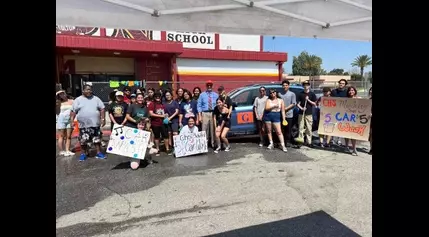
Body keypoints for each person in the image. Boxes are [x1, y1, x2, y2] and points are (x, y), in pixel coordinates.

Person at [70, 84, 106, 161]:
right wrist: (71, 120)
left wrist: (103, 119)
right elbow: (73, 111)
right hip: (83, 125)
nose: (89, 91)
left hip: (95, 124)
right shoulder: (78, 100)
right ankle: (83, 154)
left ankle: (99, 153)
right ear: (83, 90)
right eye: (87, 89)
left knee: (97, 140)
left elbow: (102, 108)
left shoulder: (96, 99)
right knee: (83, 141)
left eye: (90, 89)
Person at [295, 81, 317, 147]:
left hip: (309, 114)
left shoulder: (312, 94)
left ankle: (309, 142)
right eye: (304, 85)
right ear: (303, 86)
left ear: (309, 86)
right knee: (300, 128)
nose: (306, 86)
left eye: (307, 85)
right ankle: (300, 141)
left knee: (309, 128)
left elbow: (314, 104)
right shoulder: (300, 94)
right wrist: (301, 108)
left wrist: (308, 100)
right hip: (301, 113)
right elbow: (297, 104)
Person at [197, 80, 218, 148]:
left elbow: (219, 104)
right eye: (208, 85)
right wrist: (200, 116)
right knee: (204, 129)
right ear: (206, 86)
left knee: (213, 128)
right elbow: (199, 105)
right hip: (205, 113)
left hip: (213, 113)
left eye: (210, 85)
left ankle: (213, 143)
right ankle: (204, 144)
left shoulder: (216, 95)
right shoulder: (202, 95)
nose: (209, 86)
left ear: (212, 86)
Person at [278, 80, 297, 147]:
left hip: (289, 114)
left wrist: (286, 109)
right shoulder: (279, 94)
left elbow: (293, 103)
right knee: (281, 129)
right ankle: (282, 142)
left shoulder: (292, 94)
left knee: (288, 129)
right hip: (281, 114)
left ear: (288, 86)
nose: (285, 86)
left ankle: (287, 142)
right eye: (283, 85)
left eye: (286, 85)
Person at [330, 79, 348, 146]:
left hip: (343, 112)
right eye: (340, 83)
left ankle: (339, 140)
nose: (341, 84)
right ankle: (332, 139)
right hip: (334, 111)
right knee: (333, 124)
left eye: (343, 83)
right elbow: (330, 100)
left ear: (345, 85)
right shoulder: (334, 91)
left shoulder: (347, 92)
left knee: (341, 125)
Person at [56, 90, 74, 156]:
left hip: (69, 120)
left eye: (63, 93)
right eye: (60, 94)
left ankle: (67, 150)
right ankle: (62, 151)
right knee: (61, 136)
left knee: (68, 136)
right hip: (61, 120)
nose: (62, 95)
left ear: (65, 93)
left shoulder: (72, 101)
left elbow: (74, 110)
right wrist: (56, 94)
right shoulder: (59, 102)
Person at [344, 86, 360, 156]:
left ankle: (354, 149)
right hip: (346, 119)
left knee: (353, 135)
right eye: (350, 90)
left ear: (355, 91)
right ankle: (346, 146)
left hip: (355, 120)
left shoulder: (359, 99)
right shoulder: (346, 99)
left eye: (352, 90)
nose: (351, 91)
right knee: (346, 133)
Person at [163, 91, 179, 155]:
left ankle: (177, 147)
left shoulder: (175, 102)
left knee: (175, 133)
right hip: (167, 121)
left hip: (174, 120)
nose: (168, 96)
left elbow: (176, 112)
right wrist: (166, 117)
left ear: (171, 96)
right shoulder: (164, 103)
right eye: (166, 95)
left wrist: (170, 118)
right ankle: (170, 147)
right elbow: (163, 112)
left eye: (169, 95)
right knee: (169, 134)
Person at [368, 87, 372, 155]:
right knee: (371, 134)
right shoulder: (369, 100)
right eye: (370, 90)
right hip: (370, 119)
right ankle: (371, 148)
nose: (371, 91)